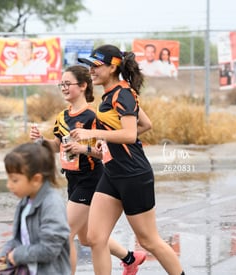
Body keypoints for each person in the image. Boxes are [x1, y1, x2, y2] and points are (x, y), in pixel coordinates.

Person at [30, 64, 152, 275]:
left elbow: (104, 149)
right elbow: (58, 145)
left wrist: (83, 148)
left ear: (83, 86)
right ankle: (130, 258)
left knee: (65, 233)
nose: (64, 88)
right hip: (73, 180)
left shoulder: (94, 117)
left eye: (68, 84)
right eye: (61, 84)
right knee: (87, 238)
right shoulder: (62, 117)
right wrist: (42, 141)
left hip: (93, 179)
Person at [76, 44, 185, 275]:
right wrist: (108, 141)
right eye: (89, 66)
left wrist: (94, 134)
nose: (91, 71)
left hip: (133, 175)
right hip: (112, 174)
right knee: (95, 238)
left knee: (149, 241)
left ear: (113, 67)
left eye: (96, 66)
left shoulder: (122, 94)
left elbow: (130, 134)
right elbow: (145, 124)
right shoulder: (113, 93)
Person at [0, 141, 71, 274]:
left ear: (36, 179)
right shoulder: (25, 201)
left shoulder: (52, 203)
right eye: (8, 179)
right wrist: (5, 252)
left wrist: (17, 255)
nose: (9, 185)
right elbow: (19, 239)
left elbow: (49, 249)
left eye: (15, 180)